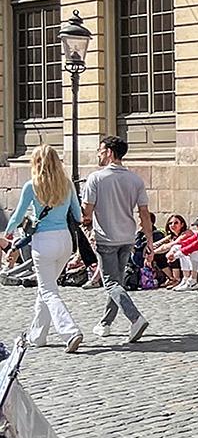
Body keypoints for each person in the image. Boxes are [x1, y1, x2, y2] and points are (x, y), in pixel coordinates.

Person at [0, 145, 84, 353]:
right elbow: (78, 216)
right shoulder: (67, 184)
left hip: (43, 242)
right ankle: (37, 335)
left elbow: (18, 215)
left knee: (48, 290)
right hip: (65, 241)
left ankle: (70, 331)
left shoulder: (32, 185)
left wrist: (9, 233)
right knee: (46, 288)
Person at [81, 135, 152, 343]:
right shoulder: (135, 180)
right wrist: (148, 240)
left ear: (110, 152)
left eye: (101, 151)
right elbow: (144, 213)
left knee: (111, 283)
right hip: (127, 236)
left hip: (106, 237)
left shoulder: (96, 178)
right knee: (117, 282)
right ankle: (105, 323)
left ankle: (136, 318)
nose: (99, 155)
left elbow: (86, 213)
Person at [152, 214, 195, 288]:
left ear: (182, 224)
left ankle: (177, 279)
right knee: (158, 256)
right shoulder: (172, 236)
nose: (172, 225)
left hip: (192, 257)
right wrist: (150, 250)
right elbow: (158, 244)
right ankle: (171, 278)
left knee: (174, 251)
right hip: (183, 258)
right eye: (170, 223)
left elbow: (171, 244)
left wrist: (153, 251)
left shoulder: (187, 233)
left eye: (176, 223)